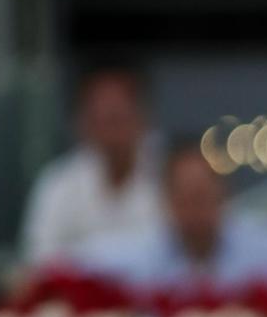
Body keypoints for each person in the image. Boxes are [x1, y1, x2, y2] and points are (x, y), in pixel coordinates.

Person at [73, 139, 267, 301]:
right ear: (166, 201)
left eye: (201, 196)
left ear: (223, 194)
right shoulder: (137, 258)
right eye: (184, 198)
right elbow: (76, 266)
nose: (194, 210)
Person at [20, 64, 164, 266]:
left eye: (119, 117)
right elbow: (39, 260)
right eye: (103, 119)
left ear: (142, 117)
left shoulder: (169, 181)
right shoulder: (58, 184)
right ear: (84, 122)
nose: (113, 132)